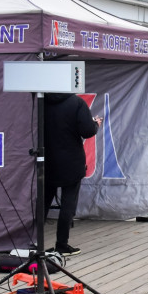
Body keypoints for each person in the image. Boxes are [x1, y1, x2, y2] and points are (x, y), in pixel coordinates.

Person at [43, 93, 101, 256]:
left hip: (45, 159)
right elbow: (87, 131)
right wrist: (95, 124)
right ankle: (61, 244)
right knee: (68, 203)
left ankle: (34, 243)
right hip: (71, 160)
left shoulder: (40, 101)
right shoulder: (76, 103)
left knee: (42, 204)